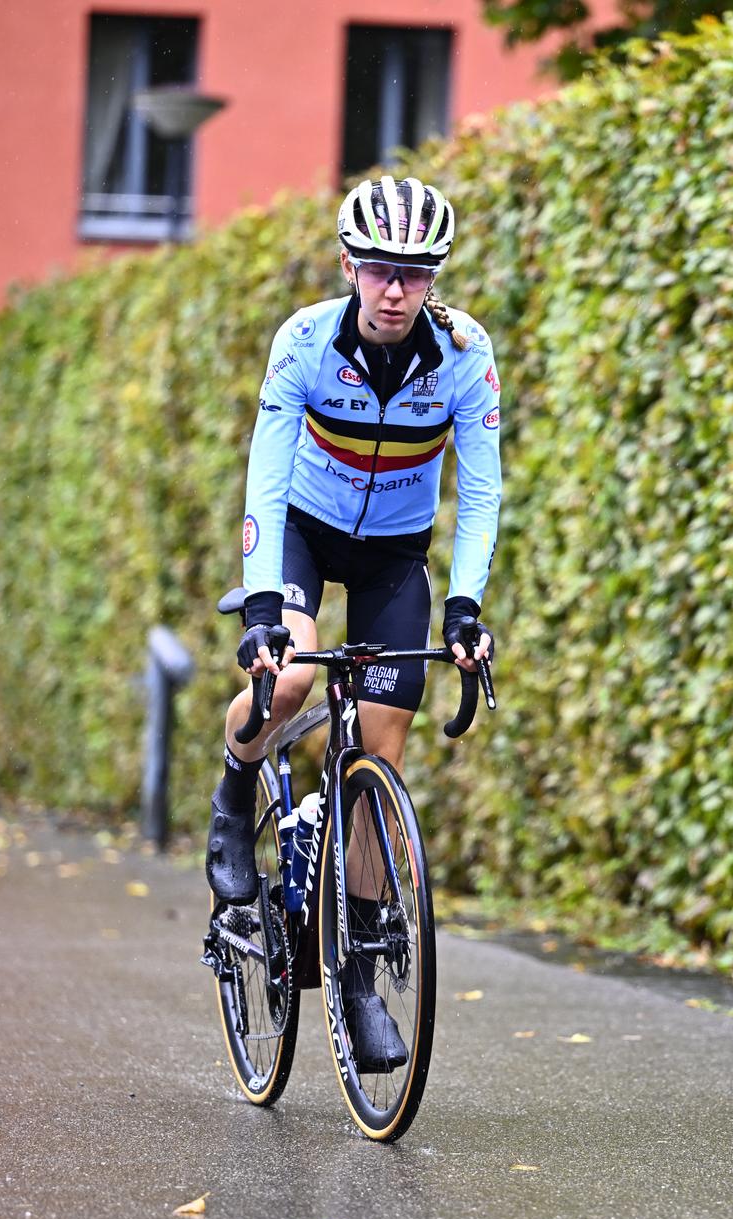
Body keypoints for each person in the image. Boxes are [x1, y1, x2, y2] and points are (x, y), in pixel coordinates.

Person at [207, 176, 500, 1072]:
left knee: (382, 742)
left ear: (434, 277)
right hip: (302, 531)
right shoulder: (302, 342)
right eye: (378, 270)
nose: (395, 290)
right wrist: (263, 606)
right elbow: (263, 476)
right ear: (349, 267)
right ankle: (233, 792)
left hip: (393, 555)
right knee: (288, 678)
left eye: (414, 273)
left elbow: (482, 491)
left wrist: (463, 607)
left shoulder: (463, 353)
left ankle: (363, 971)